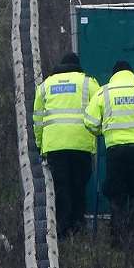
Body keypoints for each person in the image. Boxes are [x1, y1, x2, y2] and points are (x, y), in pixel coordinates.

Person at [83, 60, 134, 246]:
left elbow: (89, 121)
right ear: (131, 73)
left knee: (117, 194)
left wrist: (102, 130)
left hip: (115, 151)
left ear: (114, 74)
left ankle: (117, 239)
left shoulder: (104, 92)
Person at [34, 52, 100, 237]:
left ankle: (62, 229)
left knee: (61, 186)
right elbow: (99, 110)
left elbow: (38, 120)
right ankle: (78, 227)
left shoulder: (45, 85)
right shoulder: (89, 83)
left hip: (54, 145)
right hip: (81, 144)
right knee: (79, 185)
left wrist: (40, 144)